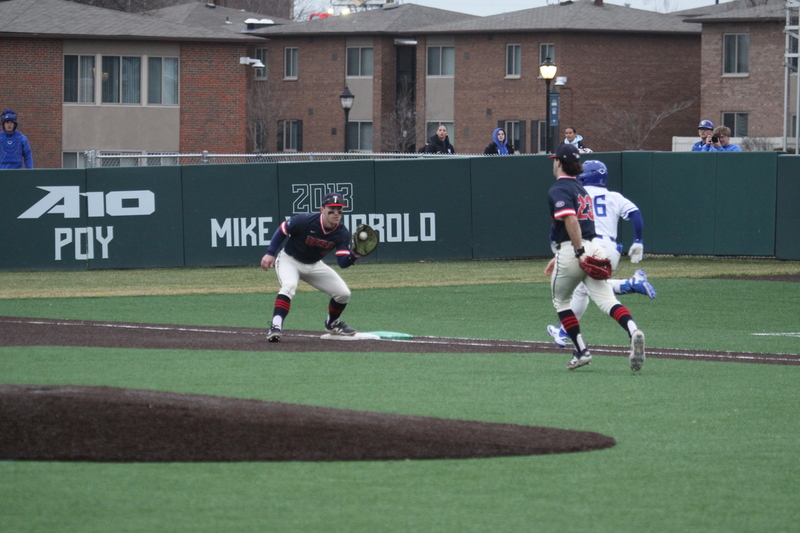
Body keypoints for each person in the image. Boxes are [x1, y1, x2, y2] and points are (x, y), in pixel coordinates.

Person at [544, 143, 645, 371]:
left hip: (575, 249)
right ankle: (633, 330)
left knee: (561, 301)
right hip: (596, 247)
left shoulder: (559, 189)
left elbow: (570, 220)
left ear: (559, 162)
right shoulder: (582, 190)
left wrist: (577, 251)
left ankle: (581, 351)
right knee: (608, 300)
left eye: (554, 159)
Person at [260, 191, 363, 342]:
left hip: (314, 265)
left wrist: (353, 256)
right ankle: (275, 326)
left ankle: (332, 323)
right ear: (322, 209)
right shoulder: (305, 220)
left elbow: (342, 263)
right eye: (331, 210)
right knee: (289, 286)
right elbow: (282, 230)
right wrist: (270, 253)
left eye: (339, 211)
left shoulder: (341, 233)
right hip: (290, 260)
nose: (336, 213)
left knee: (343, 293)